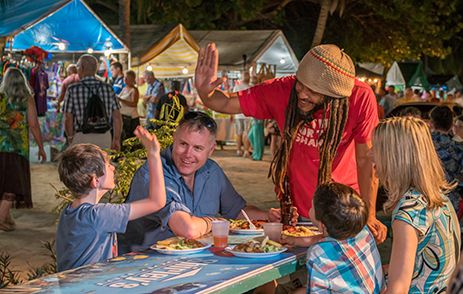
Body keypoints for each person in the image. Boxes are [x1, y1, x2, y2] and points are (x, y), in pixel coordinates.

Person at [194, 43, 386, 242]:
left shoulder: (360, 97)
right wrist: (204, 92)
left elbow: (366, 160)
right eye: (300, 83)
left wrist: (369, 214)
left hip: (345, 212)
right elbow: (224, 102)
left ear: (334, 95)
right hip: (300, 212)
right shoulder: (282, 90)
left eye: (313, 91)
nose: (302, 94)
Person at [118, 111, 297, 253]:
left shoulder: (211, 170)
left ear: (210, 150)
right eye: (183, 144)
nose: (188, 154)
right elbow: (187, 229)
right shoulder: (153, 172)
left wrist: (268, 216)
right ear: (174, 138)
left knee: (266, 278)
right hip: (145, 261)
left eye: (197, 148)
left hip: (197, 257)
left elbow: (236, 211)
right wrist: (217, 221)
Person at [56, 126, 166, 271]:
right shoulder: (98, 215)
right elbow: (157, 202)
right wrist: (154, 154)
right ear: (95, 181)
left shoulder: (69, 211)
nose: (113, 168)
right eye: (108, 165)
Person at [371, 117, 460, 293]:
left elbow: (398, 289)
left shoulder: (408, 213)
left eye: (377, 148)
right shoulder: (436, 197)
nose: (370, 153)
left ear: (394, 156)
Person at [284, 182, 384, 293]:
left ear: (322, 225)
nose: (310, 208)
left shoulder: (318, 253)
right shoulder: (364, 232)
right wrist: (305, 240)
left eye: (312, 207)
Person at [0, 68, 47, 231]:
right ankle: (1, 219)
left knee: (2, 184)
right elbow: (34, 125)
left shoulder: (0, 98)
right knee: (12, 186)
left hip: (1, 147)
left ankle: (6, 219)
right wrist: (41, 147)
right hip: (17, 149)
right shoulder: (27, 99)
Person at [63, 54, 122, 151]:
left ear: (81, 68)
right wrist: (116, 139)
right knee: (103, 165)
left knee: (81, 165)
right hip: (104, 136)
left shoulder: (73, 89)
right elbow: (117, 117)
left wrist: (70, 138)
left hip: (81, 137)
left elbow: (68, 118)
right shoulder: (108, 88)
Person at [429, 106, 463, 212]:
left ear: (431, 123)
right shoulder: (458, 148)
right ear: (451, 125)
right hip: (451, 202)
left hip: (427, 200)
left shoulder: (423, 144)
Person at [232, 72, 252, 157]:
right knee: (245, 132)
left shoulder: (237, 87)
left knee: (239, 133)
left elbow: (233, 99)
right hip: (246, 114)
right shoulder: (250, 87)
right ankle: (246, 151)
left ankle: (239, 150)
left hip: (239, 114)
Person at [118, 70, 140, 140]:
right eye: (124, 77)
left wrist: (121, 100)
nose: (125, 79)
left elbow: (134, 104)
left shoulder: (134, 90)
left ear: (132, 79)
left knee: (130, 139)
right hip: (123, 117)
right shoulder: (124, 88)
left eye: (127, 78)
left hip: (131, 119)